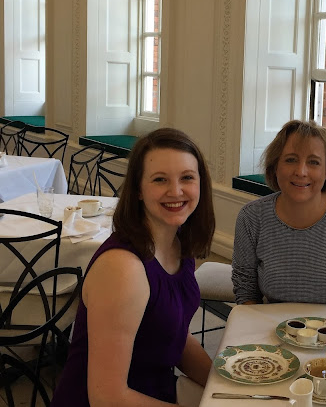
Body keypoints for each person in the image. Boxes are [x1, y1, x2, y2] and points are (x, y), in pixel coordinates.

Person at [50, 128, 215, 407]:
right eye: (160, 179)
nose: (176, 191)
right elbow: (107, 398)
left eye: (187, 177)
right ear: (138, 189)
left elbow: (175, 335)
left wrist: (227, 387)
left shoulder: (179, 244)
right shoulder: (123, 268)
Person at [232, 120, 326, 305]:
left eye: (313, 162)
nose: (301, 172)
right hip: (274, 321)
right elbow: (246, 289)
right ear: (275, 166)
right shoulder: (251, 217)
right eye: (291, 160)